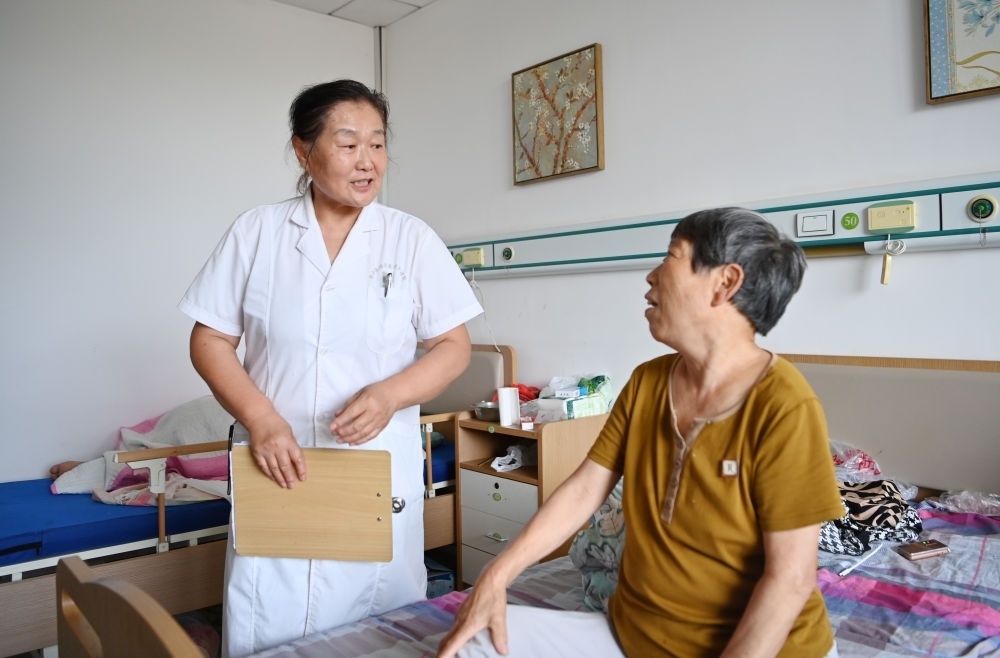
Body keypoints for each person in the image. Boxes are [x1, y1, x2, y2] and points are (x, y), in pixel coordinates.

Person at [438, 207, 844, 658]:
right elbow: (584, 491)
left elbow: (790, 580)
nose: (651, 276)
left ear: (725, 282)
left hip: (752, 649)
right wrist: (496, 576)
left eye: (671, 256)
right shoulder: (648, 382)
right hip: (636, 638)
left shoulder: (784, 406)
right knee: (473, 642)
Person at [178, 79, 483, 657]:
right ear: (303, 151)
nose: (367, 161)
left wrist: (391, 395)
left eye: (378, 144)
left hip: (374, 470)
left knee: (379, 634)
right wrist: (261, 419)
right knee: (271, 622)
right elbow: (209, 339)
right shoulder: (257, 232)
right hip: (278, 461)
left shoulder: (410, 238)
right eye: (348, 144)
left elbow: (453, 346)